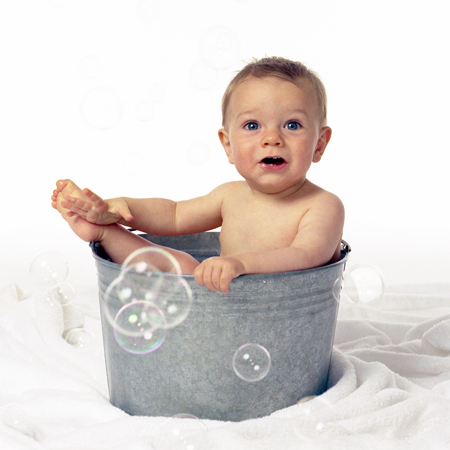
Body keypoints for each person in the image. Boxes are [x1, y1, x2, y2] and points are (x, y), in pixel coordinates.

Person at [51, 56, 345, 294]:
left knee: (192, 267)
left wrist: (239, 264)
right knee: (179, 264)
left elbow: (307, 255)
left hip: (283, 320)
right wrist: (117, 208)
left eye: (292, 125)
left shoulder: (322, 205)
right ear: (228, 146)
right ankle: (104, 232)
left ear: (320, 144)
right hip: (219, 306)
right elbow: (174, 215)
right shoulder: (230, 195)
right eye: (252, 126)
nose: (272, 138)